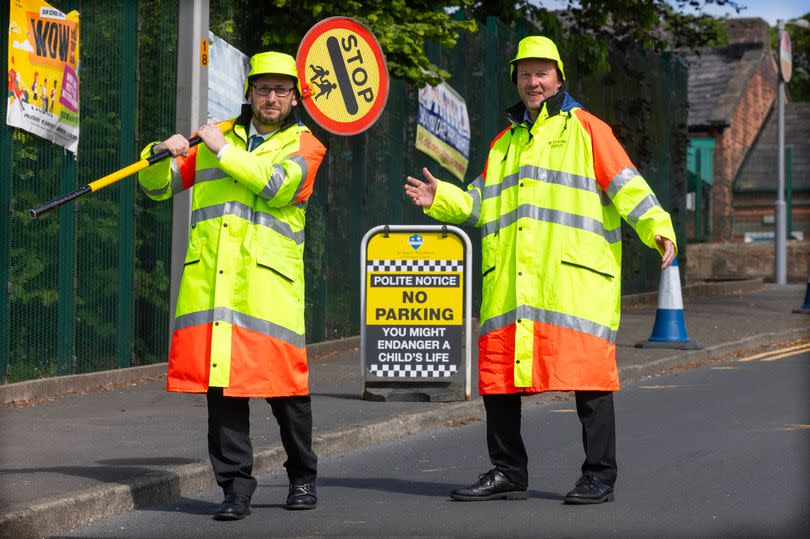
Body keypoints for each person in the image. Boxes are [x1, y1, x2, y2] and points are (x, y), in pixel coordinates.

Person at [405, 36, 676, 504]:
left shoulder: (588, 129)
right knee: (499, 382)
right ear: (516, 79)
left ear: (558, 77)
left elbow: (628, 185)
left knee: (589, 379)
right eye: (525, 73)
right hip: (512, 282)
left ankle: (599, 475)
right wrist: (442, 199)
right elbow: (479, 203)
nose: (533, 81)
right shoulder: (503, 144)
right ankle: (507, 471)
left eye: (542, 73)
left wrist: (658, 226)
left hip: (572, 283)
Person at [138, 51, 326, 520]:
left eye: (282, 89)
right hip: (216, 290)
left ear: (294, 97)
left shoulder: (307, 145)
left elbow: (278, 185)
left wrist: (222, 149)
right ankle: (234, 489)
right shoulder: (211, 138)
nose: (271, 97)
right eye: (263, 88)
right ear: (249, 92)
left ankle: (302, 477)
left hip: (270, 292)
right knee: (223, 393)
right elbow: (158, 188)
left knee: (287, 394)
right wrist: (159, 154)